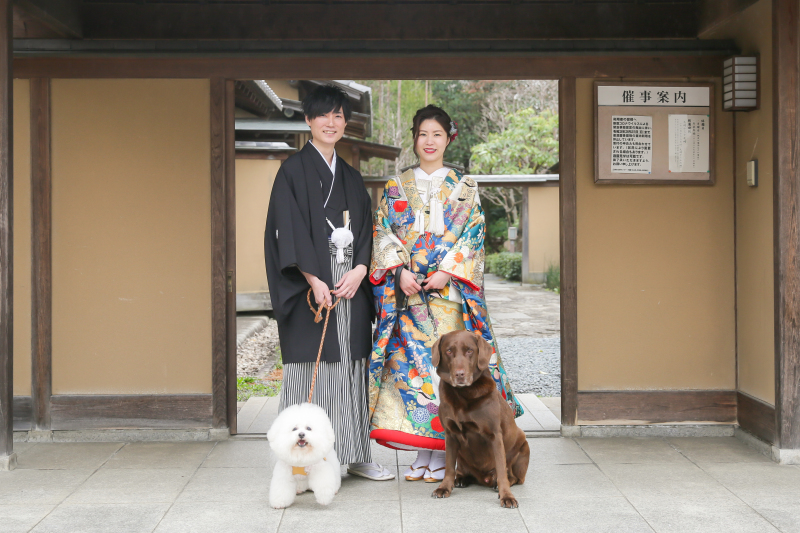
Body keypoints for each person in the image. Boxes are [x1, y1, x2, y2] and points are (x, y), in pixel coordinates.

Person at [368, 105, 523, 483]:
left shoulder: (465, 187)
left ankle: (442, 457)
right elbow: (382, 232)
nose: (430, 141)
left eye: (437, 134)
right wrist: (399, 272)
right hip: (407, 296)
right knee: (414, 375)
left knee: (447, 373)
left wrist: (446, 272)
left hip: (448, 297)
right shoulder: (395, 186)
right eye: (423, 134)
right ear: (414, 138)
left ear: (448, 139)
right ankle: (423, 454)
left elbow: (473, 235)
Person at [265, 84, 394, 481]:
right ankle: (300, 463)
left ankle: (356, 455)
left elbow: (369, 231)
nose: (331, 122)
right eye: (323, 115)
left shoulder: (352, 178)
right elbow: (286, 231)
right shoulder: (291, 172)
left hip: (351, 288)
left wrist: (360, 269)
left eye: (338, 115)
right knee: (310, 371)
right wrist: (312, 279)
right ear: (308, 120)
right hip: (311, 289)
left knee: (352, 368)